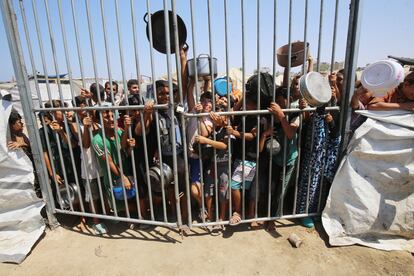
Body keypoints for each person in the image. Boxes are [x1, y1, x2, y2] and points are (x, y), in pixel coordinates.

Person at [71, 96, 107, 234]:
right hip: (88, 166)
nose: (85, 108)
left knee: (104, 193)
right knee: (93, 197)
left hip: (101, 164)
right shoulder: (76, 124)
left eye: (88, 104)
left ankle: (107, 217)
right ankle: (96, 222)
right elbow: (85, 144)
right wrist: (86, 127)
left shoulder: (96, 121)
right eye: (82, 105)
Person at [92, 103, 137, 215]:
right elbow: (109, 162)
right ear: (99, 120)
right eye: (107, 117)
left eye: (113, 116)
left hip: (128, 172)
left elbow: (123, 148)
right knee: (121, 204)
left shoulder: (119, 131)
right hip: (114, 177)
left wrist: (130, 144)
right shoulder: (97, 140)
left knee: (133, 198)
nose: (111, 120)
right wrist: (123, 178)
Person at [227, 92, 259, 226]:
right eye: (245, 102)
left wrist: (235, 133)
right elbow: (232, 112)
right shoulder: (242, 115)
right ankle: (238, 212)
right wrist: (243, 96)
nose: (246, 105)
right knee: (234, 186)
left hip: (251, 159)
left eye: (249, 103)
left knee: (247, 190)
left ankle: (246, 214)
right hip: (239, 157)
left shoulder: (259, 117)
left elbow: (253, 136)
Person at [186, 78, 214, 222]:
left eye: (209, 102)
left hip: (203, 158)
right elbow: (190, 93)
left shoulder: (211, 118)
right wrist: (192, 81)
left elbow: (204, 134)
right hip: (189, 156)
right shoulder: (193, 111)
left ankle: (203, 207)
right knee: (193, 188)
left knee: (195, 189)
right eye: (203, 101)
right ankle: (200, 205)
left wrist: (200, 115)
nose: (206, 104)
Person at [8, 111, 41, 198]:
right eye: (19, 122)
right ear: (11, 125)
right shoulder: (8, 138)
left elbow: (31, 146)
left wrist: (22, 144)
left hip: (32, 167)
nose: (22, 124)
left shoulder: (21, 135)